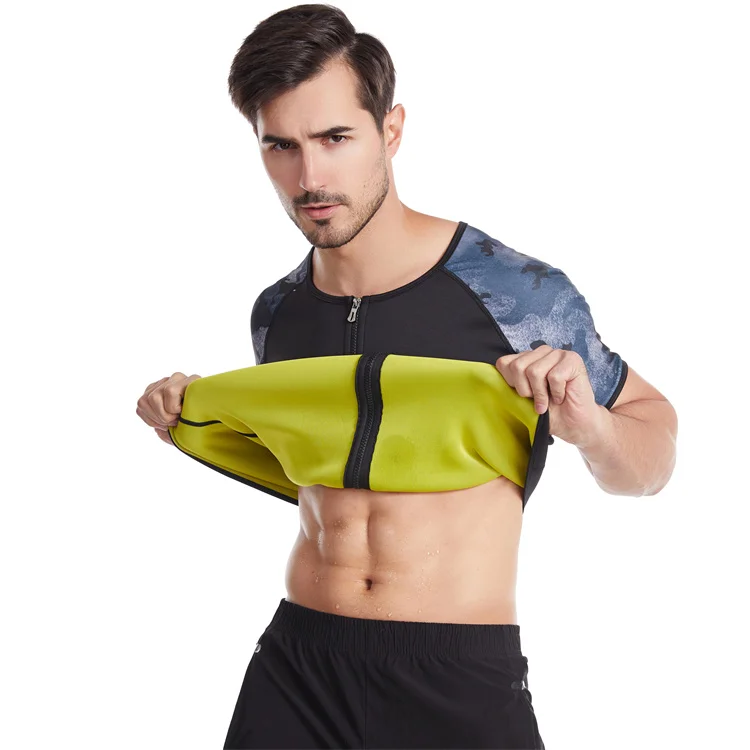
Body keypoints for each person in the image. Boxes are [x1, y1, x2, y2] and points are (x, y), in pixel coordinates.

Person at [135, 4, 678, 748]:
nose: (309, 176)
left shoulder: (511, 291)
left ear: (391, 130)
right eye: (281, 146)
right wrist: (191, 420)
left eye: (335, 138)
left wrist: (593, 429)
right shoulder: (278, 313)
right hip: (298, 669)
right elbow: (327, 478)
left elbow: (652, 465)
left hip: (454, 675)